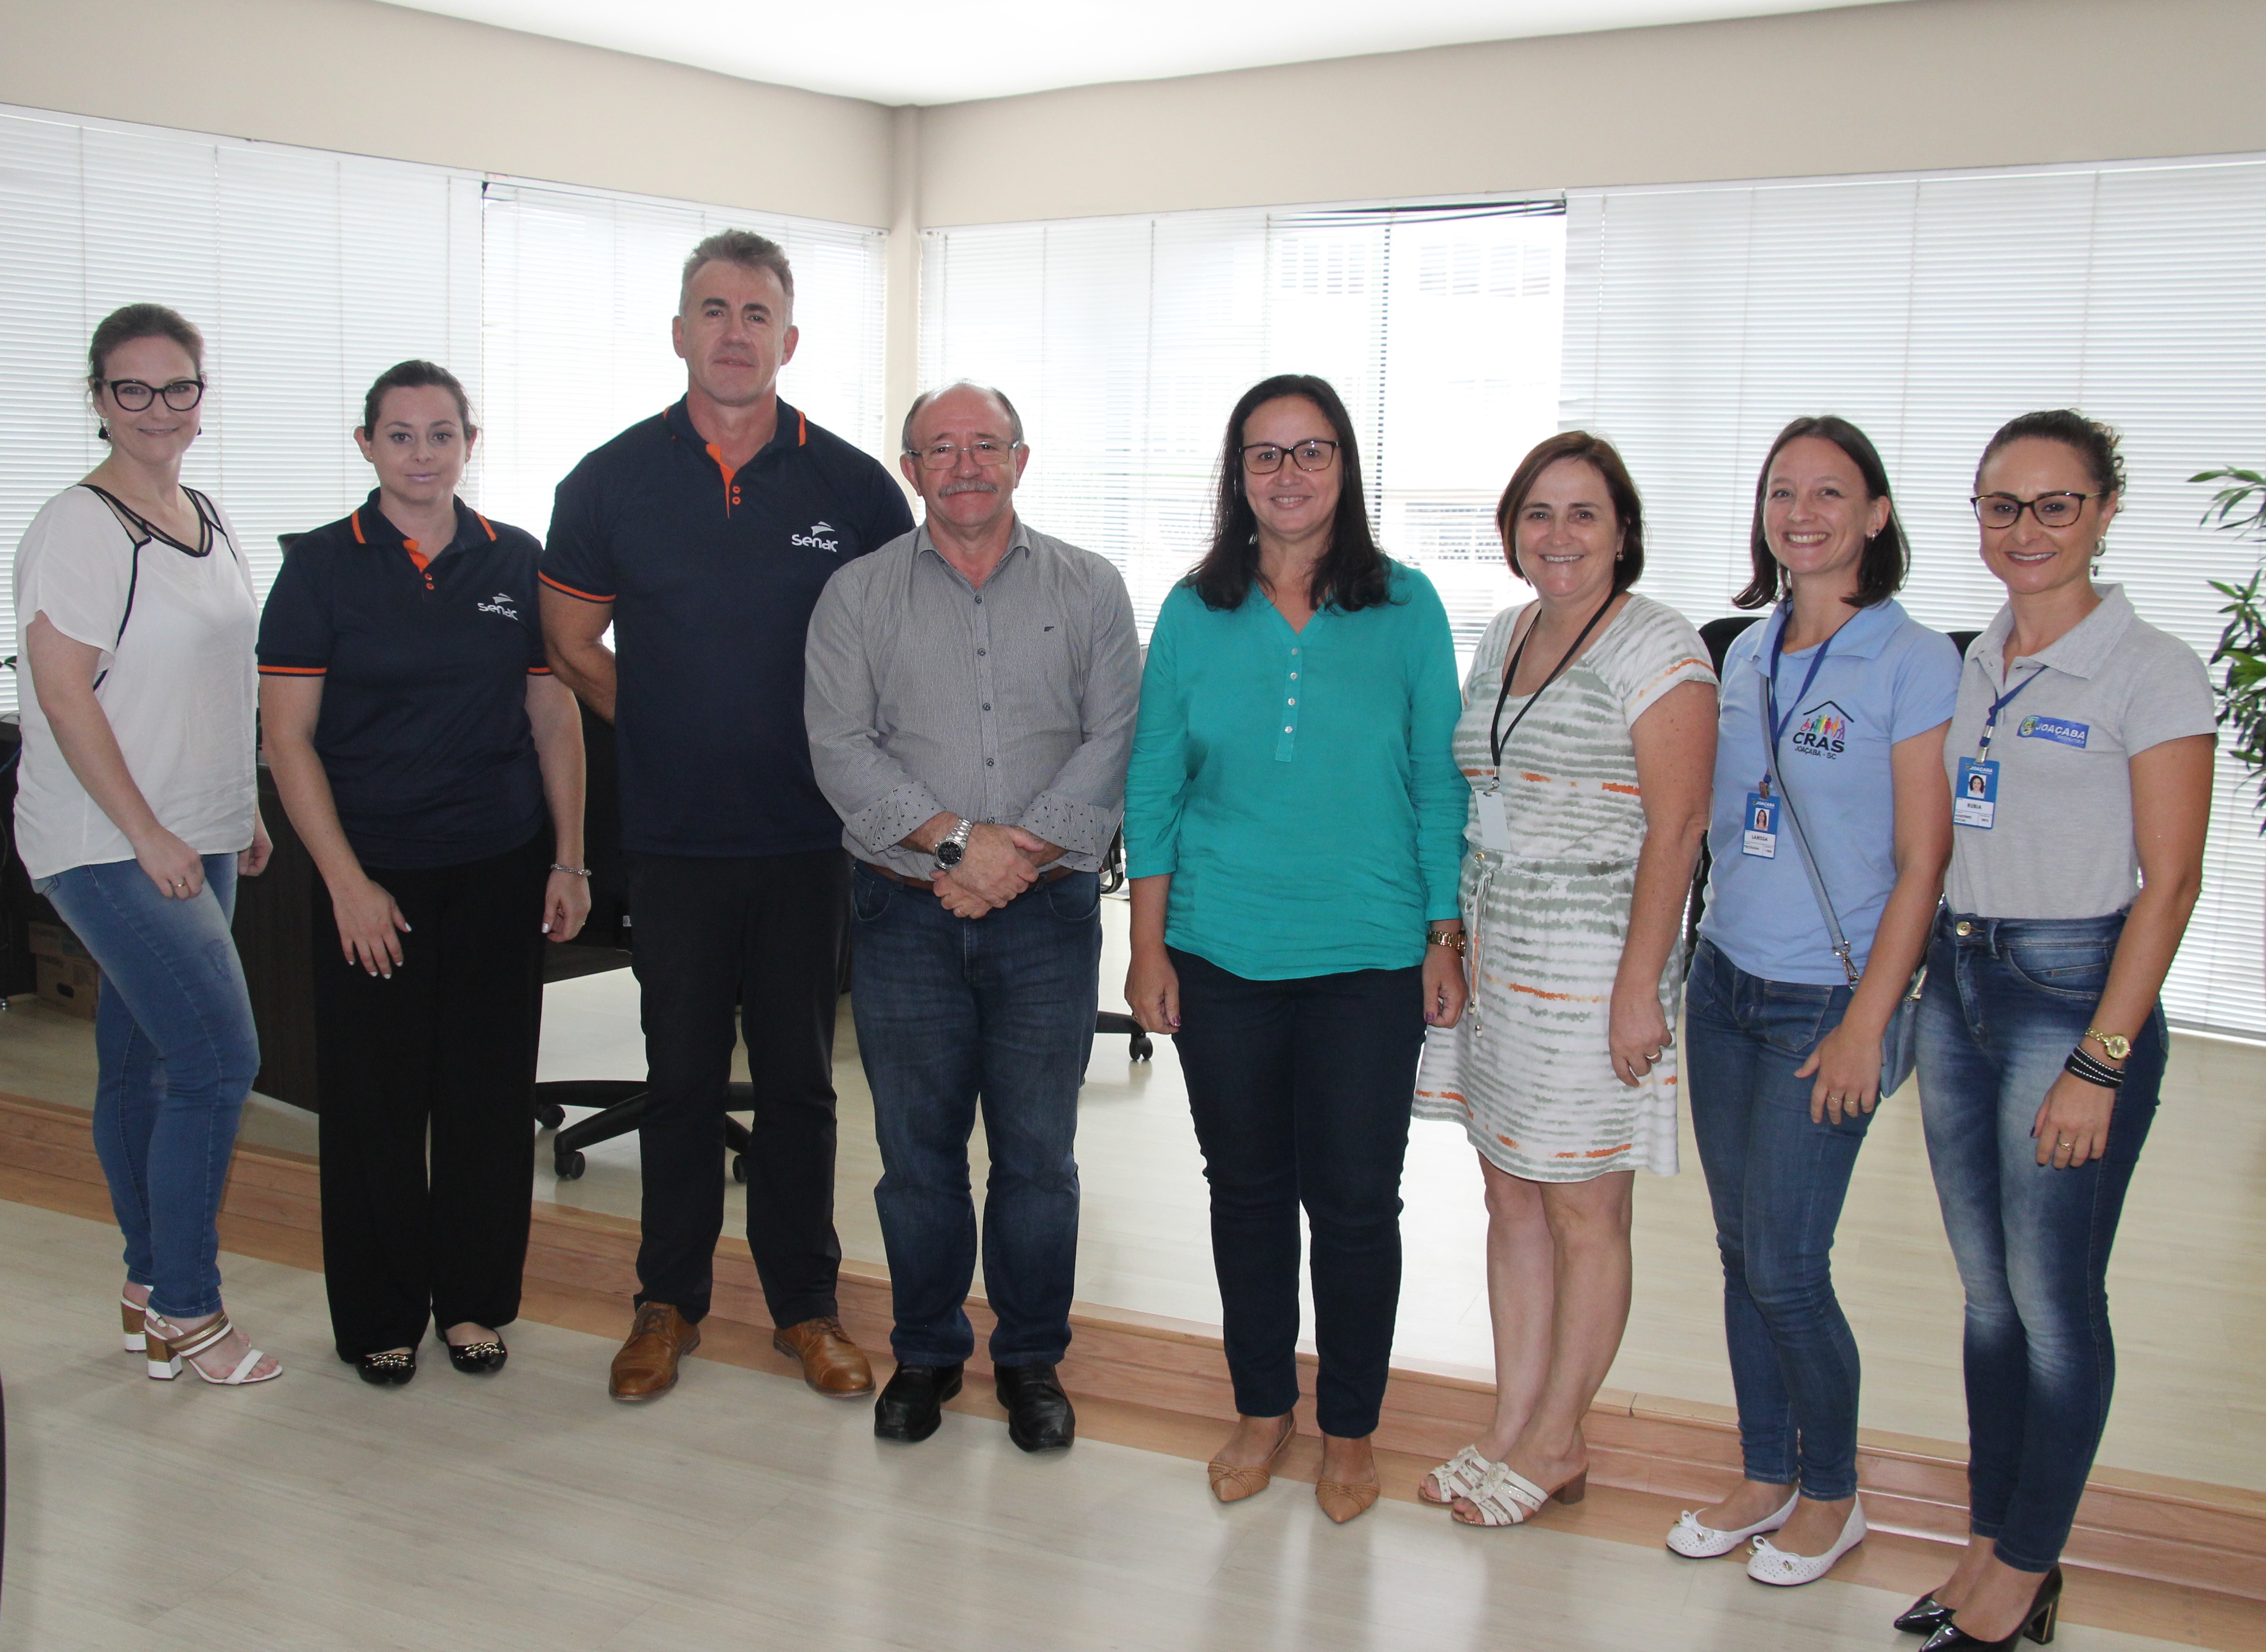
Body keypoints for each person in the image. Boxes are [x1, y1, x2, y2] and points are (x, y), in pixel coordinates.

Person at [541, 230, 914, 1403]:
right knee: (681, 1078)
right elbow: (569, 641)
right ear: (679, 331)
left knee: (801, 1082)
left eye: (757, 314)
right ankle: (668, 1302)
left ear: (789, 339)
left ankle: (807, 1305)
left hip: (809, 840)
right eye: (714, 309)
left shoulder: (853, 486)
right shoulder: (610, 481)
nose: (735, 332)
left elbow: (900, 651)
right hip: (677, 840)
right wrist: (659, 719)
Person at [1123, 374, 1467, 1524]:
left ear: (1345, 467)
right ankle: (1264, 1404)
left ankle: (1350, 1426)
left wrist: (1442, 932)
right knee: (1247, 1190)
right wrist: (1147, 947)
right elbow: (1153, 785)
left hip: (1368, 955)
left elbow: (1438, 786)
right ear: (1239, 474)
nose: (1288, 473)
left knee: (1359, 1200)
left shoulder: (1407, 605)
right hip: (1221, 950)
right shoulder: (1193, 610)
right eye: (1265, 453)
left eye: (1311, 450)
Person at [1900, 411, 2213, 1650]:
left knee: (2054, 1299)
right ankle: (1990, 1541)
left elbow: (2171, 883)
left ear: (2105, 510)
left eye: (2055, 504)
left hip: (2073, 992)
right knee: (1989, 1300)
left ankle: (2028, 1566)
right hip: (1961, 981)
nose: (2024, 529)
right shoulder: (1976, 657)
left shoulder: (2152, 668)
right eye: (2001, 505)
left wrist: (2101, 1057)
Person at [805, 380, 1140, 1451]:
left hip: (1047, 917)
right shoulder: (857, 595)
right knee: (917, 1153)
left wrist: (1014, 856)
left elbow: (1114, 737)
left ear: (1020, 459)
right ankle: (928, 1351)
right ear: (910, 469)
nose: (965, 466)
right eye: (940, 449)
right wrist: (960, 845)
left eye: (985, 445)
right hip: (904, 912)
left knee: (1038, 1156)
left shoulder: (1091, 587)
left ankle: (1032, 1359)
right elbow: (839, 747)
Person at [258, 360, 590, 1386]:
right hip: (374, 877)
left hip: (498, 865)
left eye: (441, 434)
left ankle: (476, 1302)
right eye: (399, 435)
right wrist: (348, 884)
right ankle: (381, 1314)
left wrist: (570, 858)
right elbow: (287, 739)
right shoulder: (322, 566)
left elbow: (554, 715)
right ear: (366, 445)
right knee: (377, 1103)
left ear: (469, 443)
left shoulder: (514, 559)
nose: (421, 454)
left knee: (488, 1095)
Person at [1410, 431, 1716, 1528]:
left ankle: (1559, 1437)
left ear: (1623, 531)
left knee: (1586, 1206)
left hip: (1596, 968)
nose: (1559, 534)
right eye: (1538, 512)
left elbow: (1680, 828)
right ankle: (1512, 1419)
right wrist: (1451, 939)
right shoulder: (1505, 633)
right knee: (1510, 1193)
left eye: (1584, 512)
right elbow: (1477, 795)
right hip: (1503, 956)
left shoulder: (1660, 645)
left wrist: (1641, 987)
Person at [1670, 417, 1957, 1584]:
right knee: (1742, 1250)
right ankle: (1765, 1470)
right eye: (1782, 490)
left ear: (1876, 514)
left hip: (1827, 998)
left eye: (1830, 492)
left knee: (1789, 1262)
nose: (1802, 512)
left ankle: (1833, 1491)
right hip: (1723, 983)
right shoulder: (1746, 650)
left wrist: (1866, 1023)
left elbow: (1926, 862)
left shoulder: (1914, 658)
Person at [13, 303, 277, 1385]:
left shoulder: (204, 513)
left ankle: (145, 1286)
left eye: (178, 387)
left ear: (202, 399)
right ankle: (189, 1306)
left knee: (142, 1061)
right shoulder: (78, 527)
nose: (157, 408)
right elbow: (63, 696)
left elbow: (216, 677)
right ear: (99, 398)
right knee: (219, 1060)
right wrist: (147, 831)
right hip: (109, 842)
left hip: (198, 830)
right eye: (133, 387)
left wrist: (240, 807)